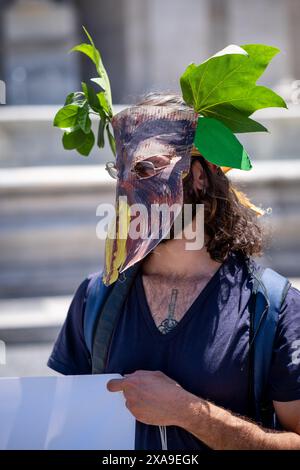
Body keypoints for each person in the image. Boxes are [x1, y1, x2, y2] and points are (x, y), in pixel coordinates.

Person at [49, 42, 300, 450]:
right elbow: (65, 430)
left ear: (198, 177)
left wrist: (188, 411)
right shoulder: (96, 299)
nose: (129, 188)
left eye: (147, 169)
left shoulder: (272, 307)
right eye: (122, 171)